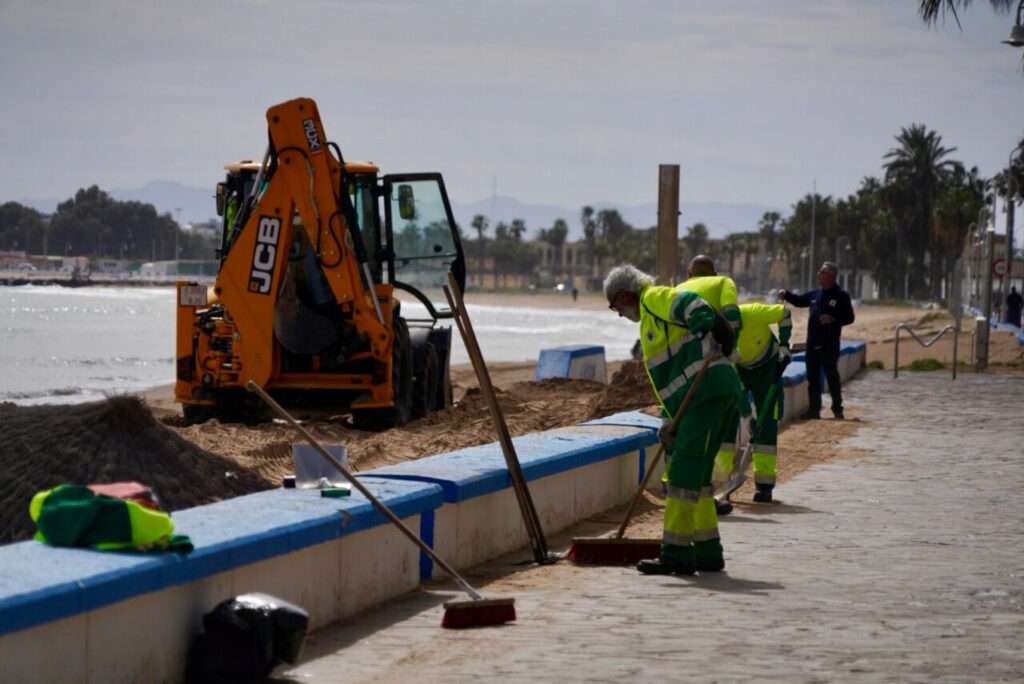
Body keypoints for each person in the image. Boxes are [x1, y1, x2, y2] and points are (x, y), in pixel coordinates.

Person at [605, 265, 744, 575]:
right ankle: (708, 553)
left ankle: (676, 554)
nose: (618, 314)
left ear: (625, 294)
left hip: (708, 393)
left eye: (615, 306)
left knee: (681, 476)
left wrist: (702, 332)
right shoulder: (650, 320)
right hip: (707, 396)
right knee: (698, 478)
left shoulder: (653, 298)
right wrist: (669, 422)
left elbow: (694, 304)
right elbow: (674, 380)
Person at [713, 302, 793, 503]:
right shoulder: (720, 338)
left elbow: (785, 313)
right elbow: (735, 387)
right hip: (740, 370)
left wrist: (784, 344)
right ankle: (720, 483)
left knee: (766, 424)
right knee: (726, 420)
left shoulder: (754, 312)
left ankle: (764, 486)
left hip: (768, 369)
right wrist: (747, 416)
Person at [681, 254, 742, 516]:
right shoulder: (723, 283)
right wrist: (727, 348)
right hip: (714, 368)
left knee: (683, 428)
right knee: (716, 433)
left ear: (689, 272)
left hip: (683, 370)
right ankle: (709, 492)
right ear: (714, 272)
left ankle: (675, 484)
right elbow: (732, 317)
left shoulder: (679, 289)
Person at [779, 261, 855, 420]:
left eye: (822, 272)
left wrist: (833, 318)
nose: (818, 274)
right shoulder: (815, 293)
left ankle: (837, 409)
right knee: (812, 378)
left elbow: (850, 317)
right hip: (812, 343)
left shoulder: (841, 295)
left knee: (832, 376)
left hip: (829, 344)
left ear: (831, 276)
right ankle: (814, 410)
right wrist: (786, 294)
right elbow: (799, 301)